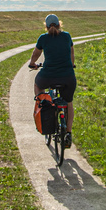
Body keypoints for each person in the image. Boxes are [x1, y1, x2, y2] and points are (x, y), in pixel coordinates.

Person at [28, 14, 76, 146]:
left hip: (48, 76)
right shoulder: (67, 36)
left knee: (38, 84)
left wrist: (33, 64)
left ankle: (43, 102)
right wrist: (71, 65)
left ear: (46, 26)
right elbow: (71, 54)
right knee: (69, 103)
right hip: (68, 77)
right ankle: (68, 133)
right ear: (60, 24)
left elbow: (35, 55)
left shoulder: (43, 38)